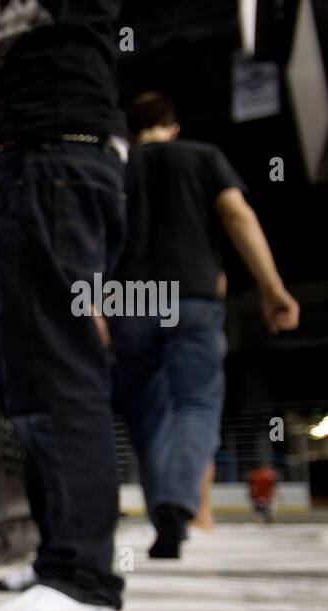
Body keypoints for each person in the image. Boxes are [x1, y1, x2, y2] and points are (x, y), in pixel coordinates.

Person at [0, 1, 129, 611]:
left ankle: (85, 576)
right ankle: (62, 556)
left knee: (60, 372)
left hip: (50, 151)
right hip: (26, 157)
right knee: (30, 385)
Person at [111, 91, 299, 558]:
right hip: (192, 297)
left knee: (148, 418)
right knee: (195, 406)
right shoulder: (202, 156)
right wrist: (271, 286)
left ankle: (163, 520)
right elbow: (237, 214)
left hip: (129, 300)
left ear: (131, 131)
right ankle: (180, 500)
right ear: (173, 127)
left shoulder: (116, 167)